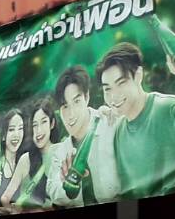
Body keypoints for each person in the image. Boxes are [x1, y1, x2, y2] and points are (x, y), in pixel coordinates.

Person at [96, 38, 175, 200]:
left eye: (121, 83)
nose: (114, 96)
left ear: (138, 75)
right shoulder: (117, 131)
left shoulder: (168, 109)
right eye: (107, 89)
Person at [47, 65, 120, 207]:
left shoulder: (109, 123)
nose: (71, 114)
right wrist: (66, 184)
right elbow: (53, 191)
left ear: (87, 97)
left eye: (76, 101)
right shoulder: (61, 151)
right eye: (65, 106)